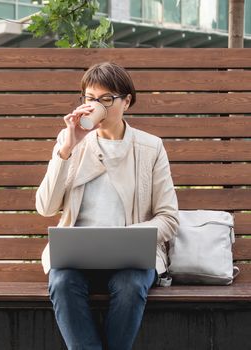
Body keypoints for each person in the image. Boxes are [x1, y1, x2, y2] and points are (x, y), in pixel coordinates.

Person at [36, 62, 179, 350]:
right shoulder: (70, 143)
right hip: (77, 258)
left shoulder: (151, 148)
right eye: (90, 99)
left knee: (130, 287)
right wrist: (67, 149)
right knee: (62, 283)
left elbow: (169, 217)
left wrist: (131, 236)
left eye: (106, 99)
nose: (95, 106)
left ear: (126, 101)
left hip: (131, 259)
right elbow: (46, 207)